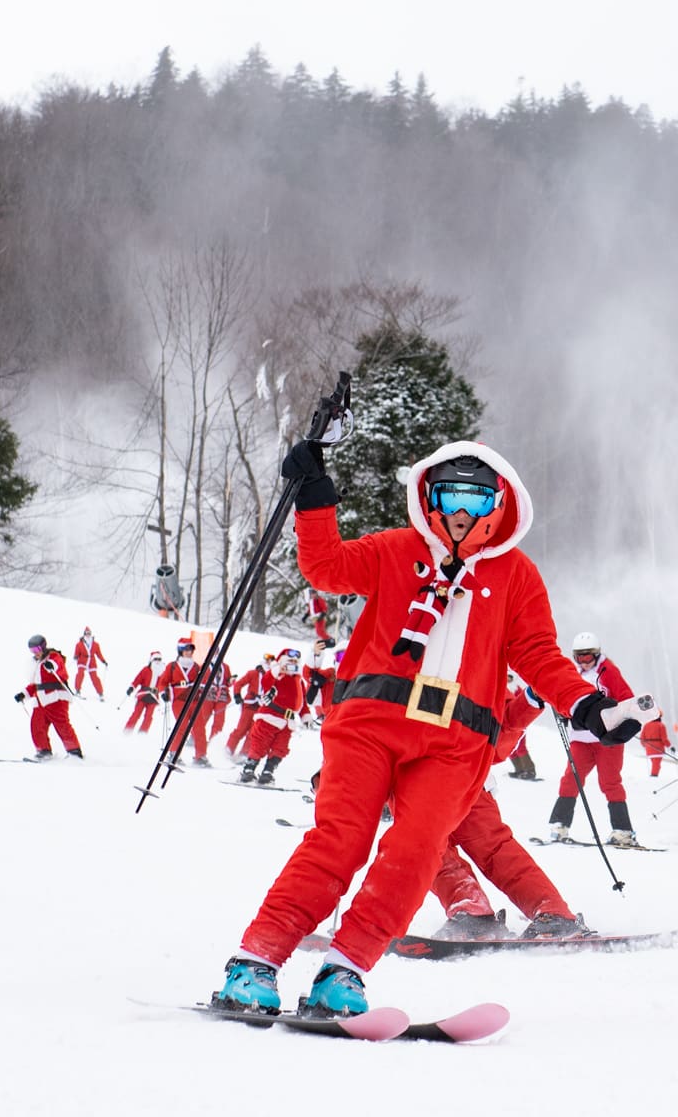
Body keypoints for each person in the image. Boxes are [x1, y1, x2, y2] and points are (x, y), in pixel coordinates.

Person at [211, 434, 631, 1018]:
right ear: (430, 496)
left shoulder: (516, 575)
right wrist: (314, 496)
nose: (463, 512)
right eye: (452, 495)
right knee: (341, 840)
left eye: (480, 500)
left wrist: (584, 704)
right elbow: (327, 567)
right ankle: (255, 961)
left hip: (454, 744)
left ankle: (346, 970)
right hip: (369, 722)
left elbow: (537, 653)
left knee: (416, 852)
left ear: (502, 504)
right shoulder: (395, 549)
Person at [430, 678, 586, 936]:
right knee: (429, 850)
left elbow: (498, 734)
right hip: (419, 777)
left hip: (462, 774)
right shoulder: (389, 666)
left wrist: (531, 700)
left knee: (481, 848)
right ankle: (472, 910)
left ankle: (550, 912)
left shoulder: (470, 664)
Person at [547, 631, 644, 848]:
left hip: (605, 739)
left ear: (597, 653)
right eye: (579, 656)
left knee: (609, 782)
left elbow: (626, 697)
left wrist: (621, 718)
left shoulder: (609, 671)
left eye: (587, 656)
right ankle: (559, 825)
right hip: (580, 738)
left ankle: (623, 830)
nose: (583, 661)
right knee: (570, 780)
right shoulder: (573, 672)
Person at [237, 648, 304, 785]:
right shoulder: (276, 676)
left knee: (281, 748)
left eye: (295, 662)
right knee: (260, 744)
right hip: (270, 716)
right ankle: (248, 770)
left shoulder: (298, 680)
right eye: (289, 661)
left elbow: (302, 701)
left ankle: (268, 772)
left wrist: (306, 716)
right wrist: (277, 670)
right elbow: (266, 683)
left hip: (287, 721)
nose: (292, 664)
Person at [15, 634, 83, 760]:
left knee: (61, 724)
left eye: (36, 650)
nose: (34, 653)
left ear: (43, 647)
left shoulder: (53, 656)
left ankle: (74, 751)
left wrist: (51, 665)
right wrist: (23, 694)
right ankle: (43, 750)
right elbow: (35, 684)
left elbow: (58, 666)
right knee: (36, 724)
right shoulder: (36, 664)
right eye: (32, 651)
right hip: (41, 700)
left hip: (56, 697)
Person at [155, 639, 212, 765]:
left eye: (191, 650)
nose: (189, 652)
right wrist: (163, 692)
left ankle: (200, 756)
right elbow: (163, 681)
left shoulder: (196, 666)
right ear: (180, 650)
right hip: (180, 701)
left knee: (199, 728)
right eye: (186, 649)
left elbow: (203, 681)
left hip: (194, 700)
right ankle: (174, 753)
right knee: (182, 726)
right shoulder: (173, 666)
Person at [224, 655, 273, 758]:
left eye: (271, 662)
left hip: (262, 708)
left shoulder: (274, 677)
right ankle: (228, 750)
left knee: (253, 732)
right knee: (241, 729)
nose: (269, 664)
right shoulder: (253, 673)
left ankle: (244, 754)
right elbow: (239, 684)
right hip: (249, 705)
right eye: (267, 661)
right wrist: (237, 695)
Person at [125, 651, 164, 733]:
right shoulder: (146, 670)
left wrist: (166, 693)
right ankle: (128, 729)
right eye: (155, 659)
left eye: (159, 659)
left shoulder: (162, 673)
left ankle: (143, 732)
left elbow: (164, 684)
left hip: (153, 697)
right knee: (137, 713)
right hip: (143, 695)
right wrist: (131, 688)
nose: (157, 661)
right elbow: (137, 680)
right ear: (151, 660)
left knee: (149, 716)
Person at [73, 627, 108, 698]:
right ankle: (77, 690)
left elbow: (99, 654)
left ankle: (100, 693)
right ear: (84, 634)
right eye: (86, 633)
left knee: (94, 677)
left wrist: (103, 661)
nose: (88, 635)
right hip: (82, 660)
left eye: (89, 633)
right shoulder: (79, 644)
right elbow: (76, 653)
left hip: (91, 661)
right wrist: (76, 656)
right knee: (80, 674)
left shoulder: (95, 644)